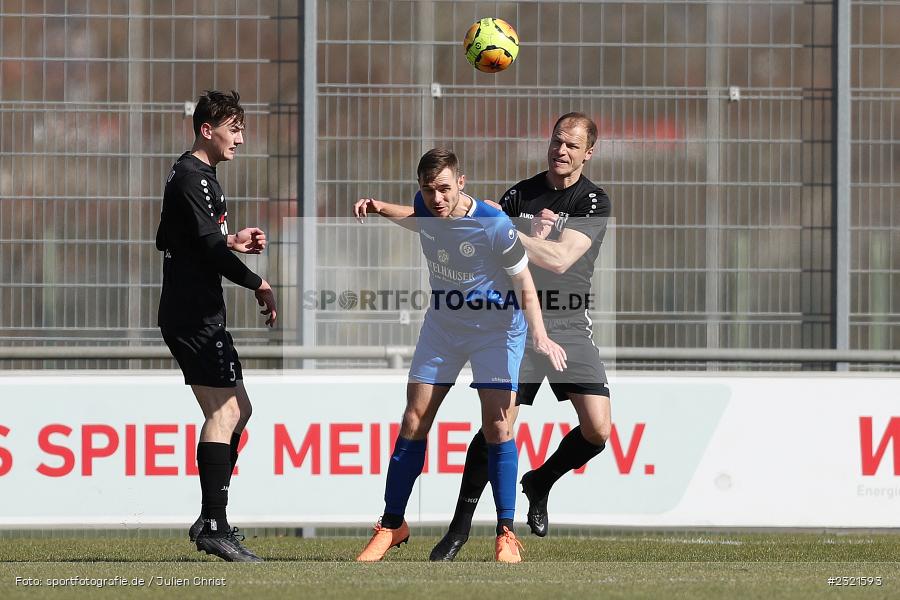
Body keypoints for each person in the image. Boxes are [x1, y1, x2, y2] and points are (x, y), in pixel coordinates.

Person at [356, 113, 612, 561]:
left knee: (597, 428)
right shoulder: (519, 194)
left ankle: (539, 482)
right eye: (556, 141)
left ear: (587, 152)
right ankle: (458, 530)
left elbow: (555, 260)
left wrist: (503, 228)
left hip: (564, 321)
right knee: (496, 424)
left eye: (572, 145)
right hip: (507, 314)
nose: (561, 150)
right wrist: (385, 208)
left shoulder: (591, 201)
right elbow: (441, 221)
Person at [156, 90, 277, 563]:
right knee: (224, 415)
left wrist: (227, 239)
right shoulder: (195, 177)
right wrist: (256, 280)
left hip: (198, 310)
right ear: (207, 130)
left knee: (239, 410)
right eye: (234, 129)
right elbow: (204, 248)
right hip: (193, 314)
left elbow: (169, 238)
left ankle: (213, 516)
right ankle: (213, 522)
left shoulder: (191, 176)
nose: (241, 140)